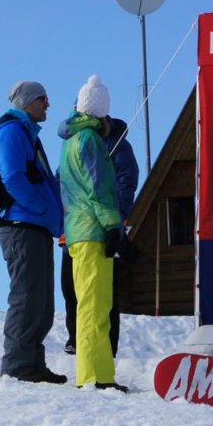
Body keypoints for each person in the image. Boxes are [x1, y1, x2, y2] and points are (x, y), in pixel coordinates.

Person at [0, 80, 66, 384]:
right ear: (30, 101)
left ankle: (32, 363)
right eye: (43, 99)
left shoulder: (25, 132)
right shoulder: (11, 132)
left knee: (42, 301)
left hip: (35, 227)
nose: (48, 104)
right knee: (27, 296)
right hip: (22, 227)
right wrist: (44, 211)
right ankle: (18, 365)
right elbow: (13, 178)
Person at [58, 75, 127, 391]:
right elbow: (100, 188)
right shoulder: (90, 141)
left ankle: (102, 375)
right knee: (93, 308)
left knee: (96, 306)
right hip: (92, 232)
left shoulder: (71, 141)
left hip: (78, 232)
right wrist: (113, 225)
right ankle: (91, 377)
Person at [62, 114, 139, 356]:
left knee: (103, 295)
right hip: (74, 230)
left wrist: (118, 218)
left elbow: (127, 181)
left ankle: (105, 353)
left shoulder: (116, 144)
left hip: (105, 228)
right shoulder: (74, 141)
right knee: (71, 289)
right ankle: (76, 340)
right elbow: (62, 182)